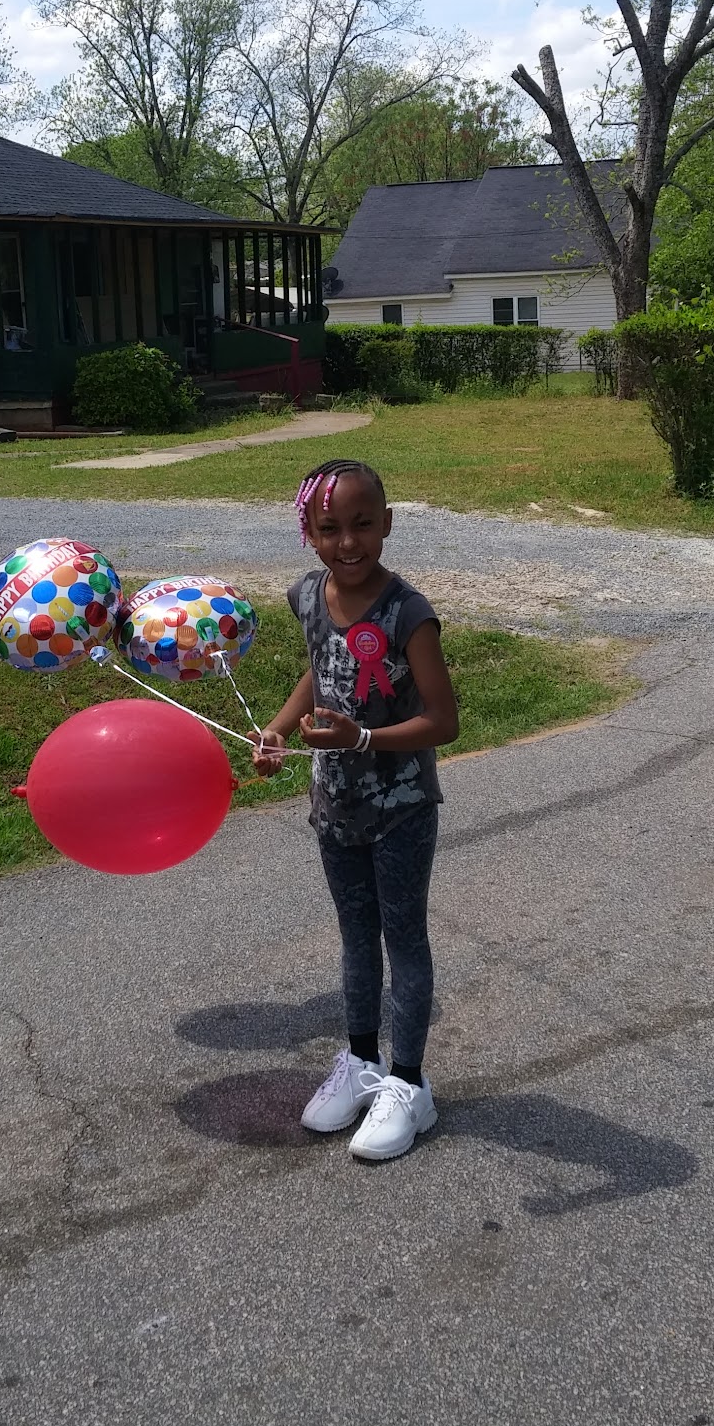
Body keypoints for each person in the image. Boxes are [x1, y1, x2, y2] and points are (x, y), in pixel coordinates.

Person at [251, 459, 459, 1161]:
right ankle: (363, 1062)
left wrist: (364, 736)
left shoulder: (408, 613)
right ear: (307, 533)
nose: (348, 542)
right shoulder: (309, 596)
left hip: (400, 807)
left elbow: (444, 720)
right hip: (333, 804)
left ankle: (409, 1086)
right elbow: (319, 666)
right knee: (354, 937)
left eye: (363, 525)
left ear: (388, 524)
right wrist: (279, 729)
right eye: (329, 528)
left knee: (403, 939)